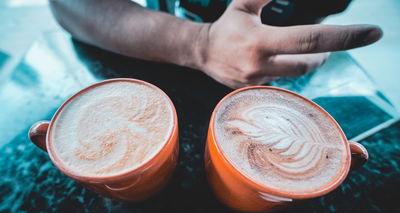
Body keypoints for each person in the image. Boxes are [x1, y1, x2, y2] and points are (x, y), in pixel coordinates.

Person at [49, 0, 382, 89]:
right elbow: (69, 4)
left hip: (271, 80)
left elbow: (315, 20)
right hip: (143, 53)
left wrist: (304, 47)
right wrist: (198, 44)